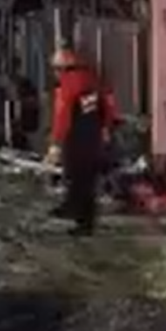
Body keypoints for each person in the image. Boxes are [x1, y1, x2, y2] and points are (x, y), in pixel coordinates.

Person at [44, 47, 117, 236]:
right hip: (92, 138)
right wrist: (106, 128)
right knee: (85, 179)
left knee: (76, 178)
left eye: (55, 69)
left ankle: (83, 223)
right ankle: (72, 208)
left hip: (75, 138)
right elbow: (108, 105)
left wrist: (54, 144)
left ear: (63, 68)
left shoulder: (67, 85)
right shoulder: (92, 80)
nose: (55, 74)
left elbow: (62, 116)